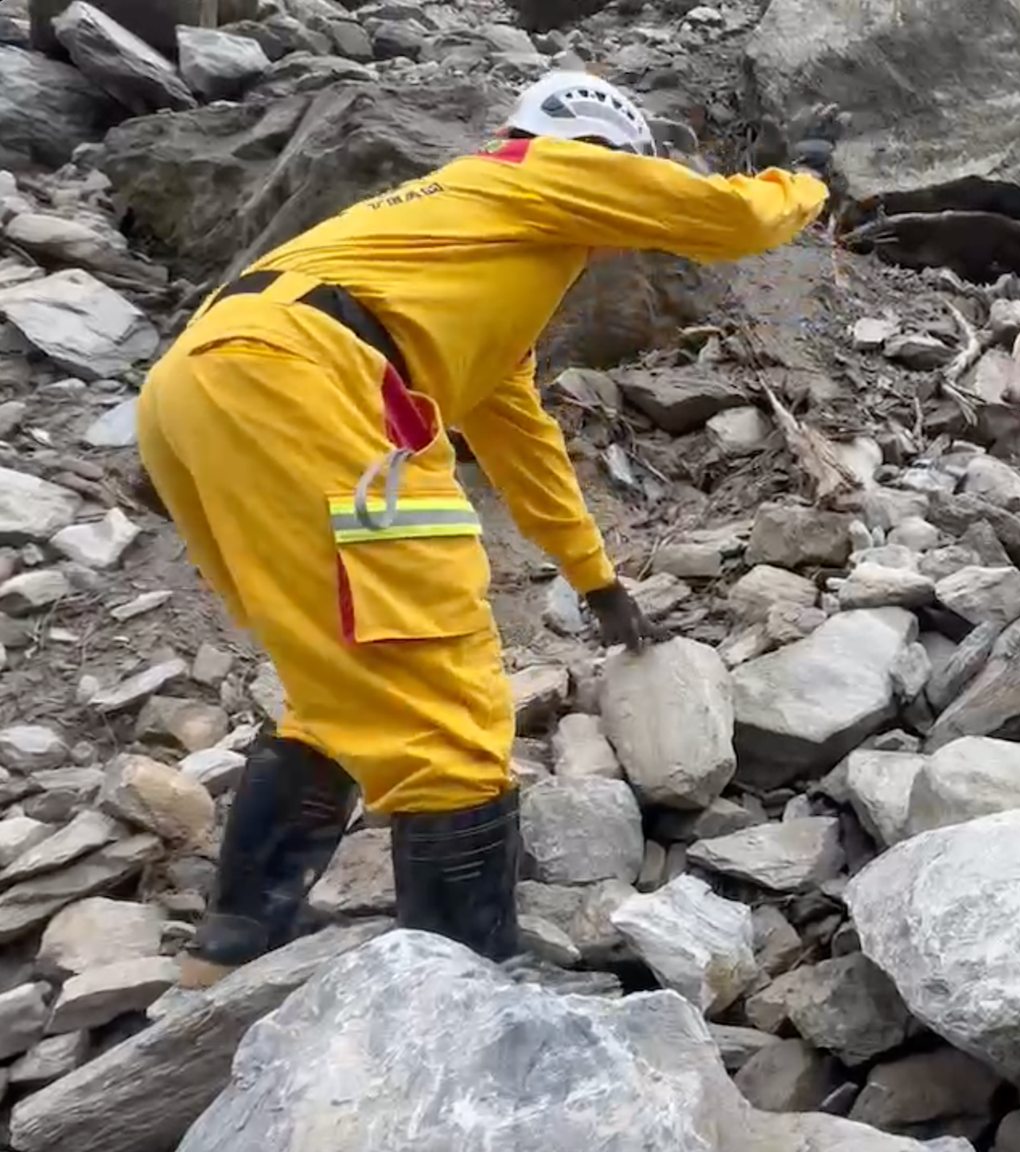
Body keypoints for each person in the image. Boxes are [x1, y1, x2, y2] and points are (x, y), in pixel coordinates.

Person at [138, 71, 834, 987]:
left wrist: (596, 581)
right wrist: (809, 185)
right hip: (311, 378)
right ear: (603, 158)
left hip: (196, 386)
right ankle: (471, 993)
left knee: (343, 674)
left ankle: (232, 944)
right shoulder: (536, 169)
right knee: (448, 698)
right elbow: (732, 218)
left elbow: (524, 448)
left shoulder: (458, 267)